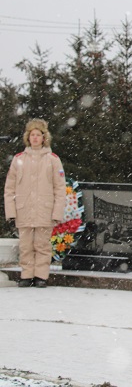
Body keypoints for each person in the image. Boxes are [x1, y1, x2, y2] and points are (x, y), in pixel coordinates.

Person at [4, 119, 66, 288]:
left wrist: (56, 213)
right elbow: (9, 188)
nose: (35, 138)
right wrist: (11, 211)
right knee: (25, 246)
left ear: (44, 137)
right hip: (24, 210)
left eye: (38, 135)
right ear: (28, 137)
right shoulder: (18, 160)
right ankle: (26, 275)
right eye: (32, 135)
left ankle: (41, 276)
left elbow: (60, 189)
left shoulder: (53, 160)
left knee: (42, 245)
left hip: (44, 211)